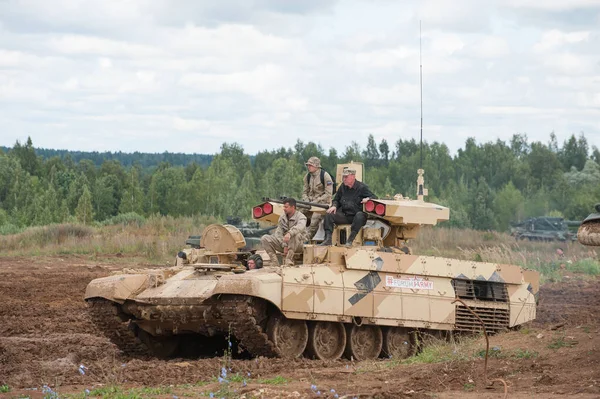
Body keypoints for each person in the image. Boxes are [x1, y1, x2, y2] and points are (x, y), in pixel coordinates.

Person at [320, 168, 376, 247]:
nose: (344, 179)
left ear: (353, 177)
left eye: (346, 177)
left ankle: (350, 240)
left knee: (360, 215)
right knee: (329, 214)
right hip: (345, 215)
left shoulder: (362, 187)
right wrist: (334, 206)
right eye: (343, 177)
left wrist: (368, 199)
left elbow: (374, 197)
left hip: (357, 216)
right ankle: (328, 239)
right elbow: (336, 199)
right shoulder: (342, 187)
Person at [260, 198, 308, 266]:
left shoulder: (301, 217)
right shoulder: (283, 217)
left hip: (298, 245)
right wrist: (284, 244)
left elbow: (300, 227)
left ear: (293, 207)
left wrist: (289, 233)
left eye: (286, 207)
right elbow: (278, 233)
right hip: (284, 244)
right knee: (265, 238)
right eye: (283, 206)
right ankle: (274, 262)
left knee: (295, 234)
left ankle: (289, 260)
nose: (284, 208)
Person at [302, 156, 334, 239]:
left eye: (310, 165)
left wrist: (316, 201)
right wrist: (306, 200)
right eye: (308, 165)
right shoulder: (307, 177)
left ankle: (307, 238)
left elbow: (328, 194)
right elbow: (304, 192)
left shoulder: (325, 176)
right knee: (298, 215)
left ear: (316, 166)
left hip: (322, 204)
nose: (308, 167)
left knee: (314, 220)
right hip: (309, 203)